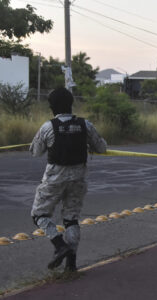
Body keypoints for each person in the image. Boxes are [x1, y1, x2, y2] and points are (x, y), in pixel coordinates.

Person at [30, 87, 107, 272]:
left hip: (54, 178)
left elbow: (35, 152)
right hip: (78, 178)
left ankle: (59, 245)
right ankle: (71, 265)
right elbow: (102, 147)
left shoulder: (48, 127)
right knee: (71, 219)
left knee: (39, 215)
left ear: (52, 107)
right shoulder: (85, 125)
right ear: (71, 105)